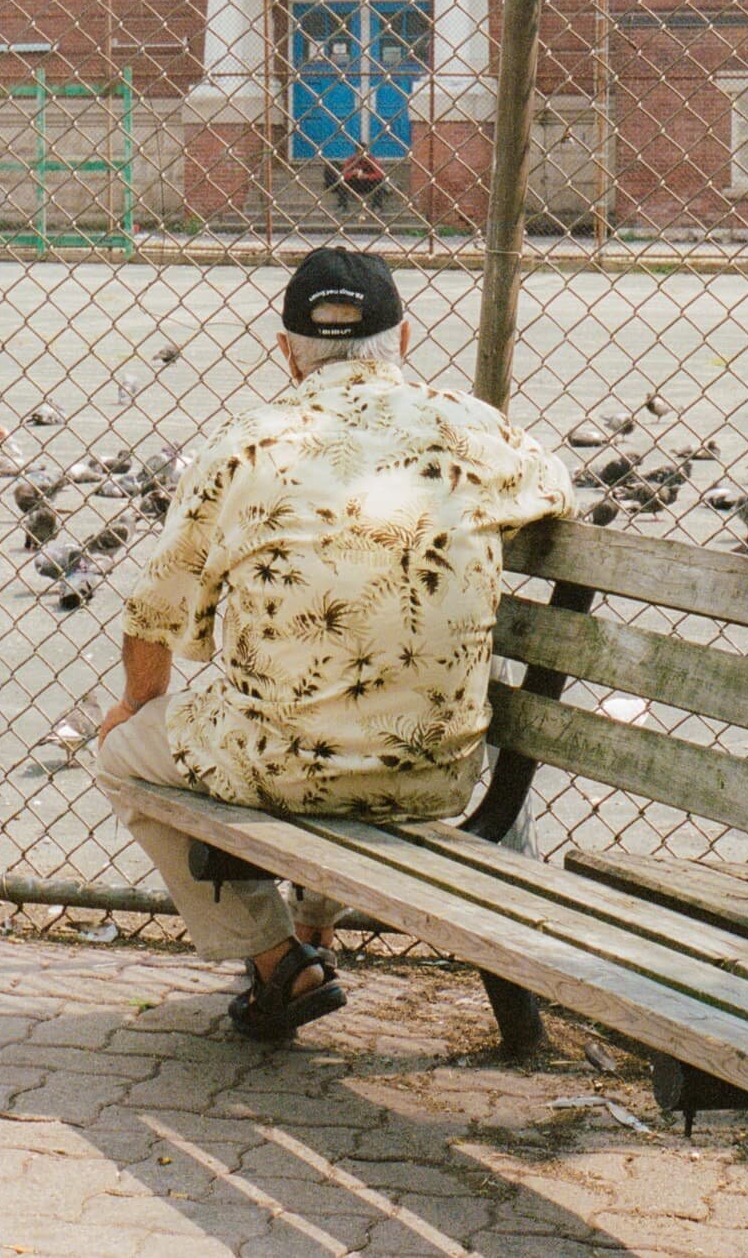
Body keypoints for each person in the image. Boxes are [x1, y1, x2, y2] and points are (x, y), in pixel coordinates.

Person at [95, 247, 574, 1040]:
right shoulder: (476, 430)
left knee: (122, 753)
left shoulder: (244, 444)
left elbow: (155, 615)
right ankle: (312, 933)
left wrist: (134, 705)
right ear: (405, 338)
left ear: (286, 351)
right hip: (437, 772)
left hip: (277, 770)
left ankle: (279, 959)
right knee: (363, 702)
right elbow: (558, 487)